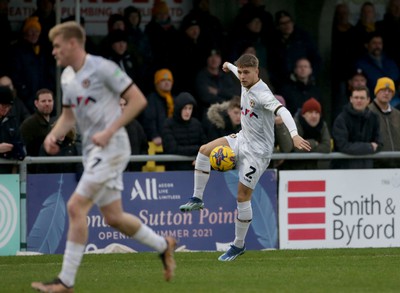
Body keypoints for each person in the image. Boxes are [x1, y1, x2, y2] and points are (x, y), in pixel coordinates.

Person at [31, 21, 176, 293]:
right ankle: (162, 245)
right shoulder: (67, 78)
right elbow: (68, 116)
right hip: (93, 151)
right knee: (114, 217)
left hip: (112, 147)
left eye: (57, 46)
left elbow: (138, 100)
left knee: (75, 207)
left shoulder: (104, 68)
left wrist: (110, 131)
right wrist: (53, 135)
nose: (53, 52)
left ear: (73, 44)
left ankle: (66, 282)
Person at [178, 54, 311, 261]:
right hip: (242, 138)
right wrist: (228, 66)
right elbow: (235, 69)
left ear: (257, 72)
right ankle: (197, 198)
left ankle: (238, 245)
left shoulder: (262, 94)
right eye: (240, 72)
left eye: (246, 72)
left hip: (258, 153)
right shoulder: (243, 80)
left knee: (242, 196)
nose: (241, 76)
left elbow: (283, 111)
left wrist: (294, 135)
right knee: (204, 150)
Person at [331, 85, 381, 169]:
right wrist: (369, 147)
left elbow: (379, 143)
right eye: (356, 97)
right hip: (343, 170)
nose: (359, 100)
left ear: (368, 100)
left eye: (362, 98)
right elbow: (343, 146)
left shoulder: (374, 118)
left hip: (368, 170)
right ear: (351, 99)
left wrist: (371, 146)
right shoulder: (341, 119)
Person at [281, 98, 331, 170]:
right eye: (310, 112)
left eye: (317, 113)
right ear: (303, 114)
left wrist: (304, 146)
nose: (314, 116)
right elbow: (294, 148)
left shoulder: (322, 125)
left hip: (316, 169)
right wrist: (314, 143)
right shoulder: (294, 124)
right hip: (294, 169)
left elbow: (327, 147)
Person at [162, 92, 207, 170]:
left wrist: (198, 158)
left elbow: (205, 146)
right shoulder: (168, 124)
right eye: (185, 108)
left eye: (190, 108)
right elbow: (172, 149)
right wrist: (197, 149)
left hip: (195, 168)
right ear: (178, 108)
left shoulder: (196, 124)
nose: (187, 112)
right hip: (175, 170)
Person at [195, 49, 240, 118]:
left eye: (217, 56)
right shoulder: (202, 76)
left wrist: (218, 92)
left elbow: (235, 92)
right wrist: (227, 99)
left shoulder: (225, 75)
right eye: (211, 57)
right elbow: (206, 98)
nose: (214, 59)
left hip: (228, 112)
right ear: (207, 59)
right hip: (209, 113)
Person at [368, 77, 400, 168]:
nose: (386, 93)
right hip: (376, 166)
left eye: (390, 91)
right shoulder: (367, 112)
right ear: (376, 91)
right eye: (383, 90)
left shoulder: (398, 114)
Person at [141, 68, 175, 146]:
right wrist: (154, 135)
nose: (167, 83)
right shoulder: (152, 99)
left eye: (169, 80)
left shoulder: (174, 100)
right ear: (157, 83)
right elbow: (149, 120)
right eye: (163, 80)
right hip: (158, 142)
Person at [20, 88, 56, 158]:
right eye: (43, 101)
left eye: (50, 101)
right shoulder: (29, 124)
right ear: (36, 103)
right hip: (34, 165)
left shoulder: (55, 122)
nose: (47, 104)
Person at [0, 86, 25, 174]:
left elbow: (20, 142)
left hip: (8, 174)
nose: (5, 109)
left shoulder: (12, 120)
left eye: (8, 106)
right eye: (3, 105)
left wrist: (16, 149)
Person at [120, 97, 148, 172]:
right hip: (115, 174)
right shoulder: (108, 127)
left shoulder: (136, 125)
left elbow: (144, 147)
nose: (122, 107)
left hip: (134, 173)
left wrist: (140, 162)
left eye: (125, 104)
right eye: (120, 105)